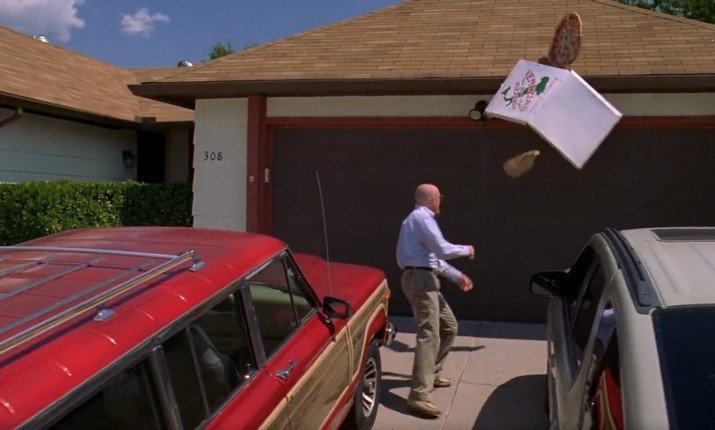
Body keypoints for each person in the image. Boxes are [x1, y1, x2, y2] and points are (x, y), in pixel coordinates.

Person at [395, 183, 475, 418]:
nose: (441, 201)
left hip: (423, 278)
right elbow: (442, 250)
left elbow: (433, 259)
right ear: (432, 199)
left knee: (449, 326)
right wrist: (467, 249)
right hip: (421, 281)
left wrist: (457, 276)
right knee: (429, 335)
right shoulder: (422, 218)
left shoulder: (416, 222)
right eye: (439, 197)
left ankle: (432, 372)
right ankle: (418, 396)